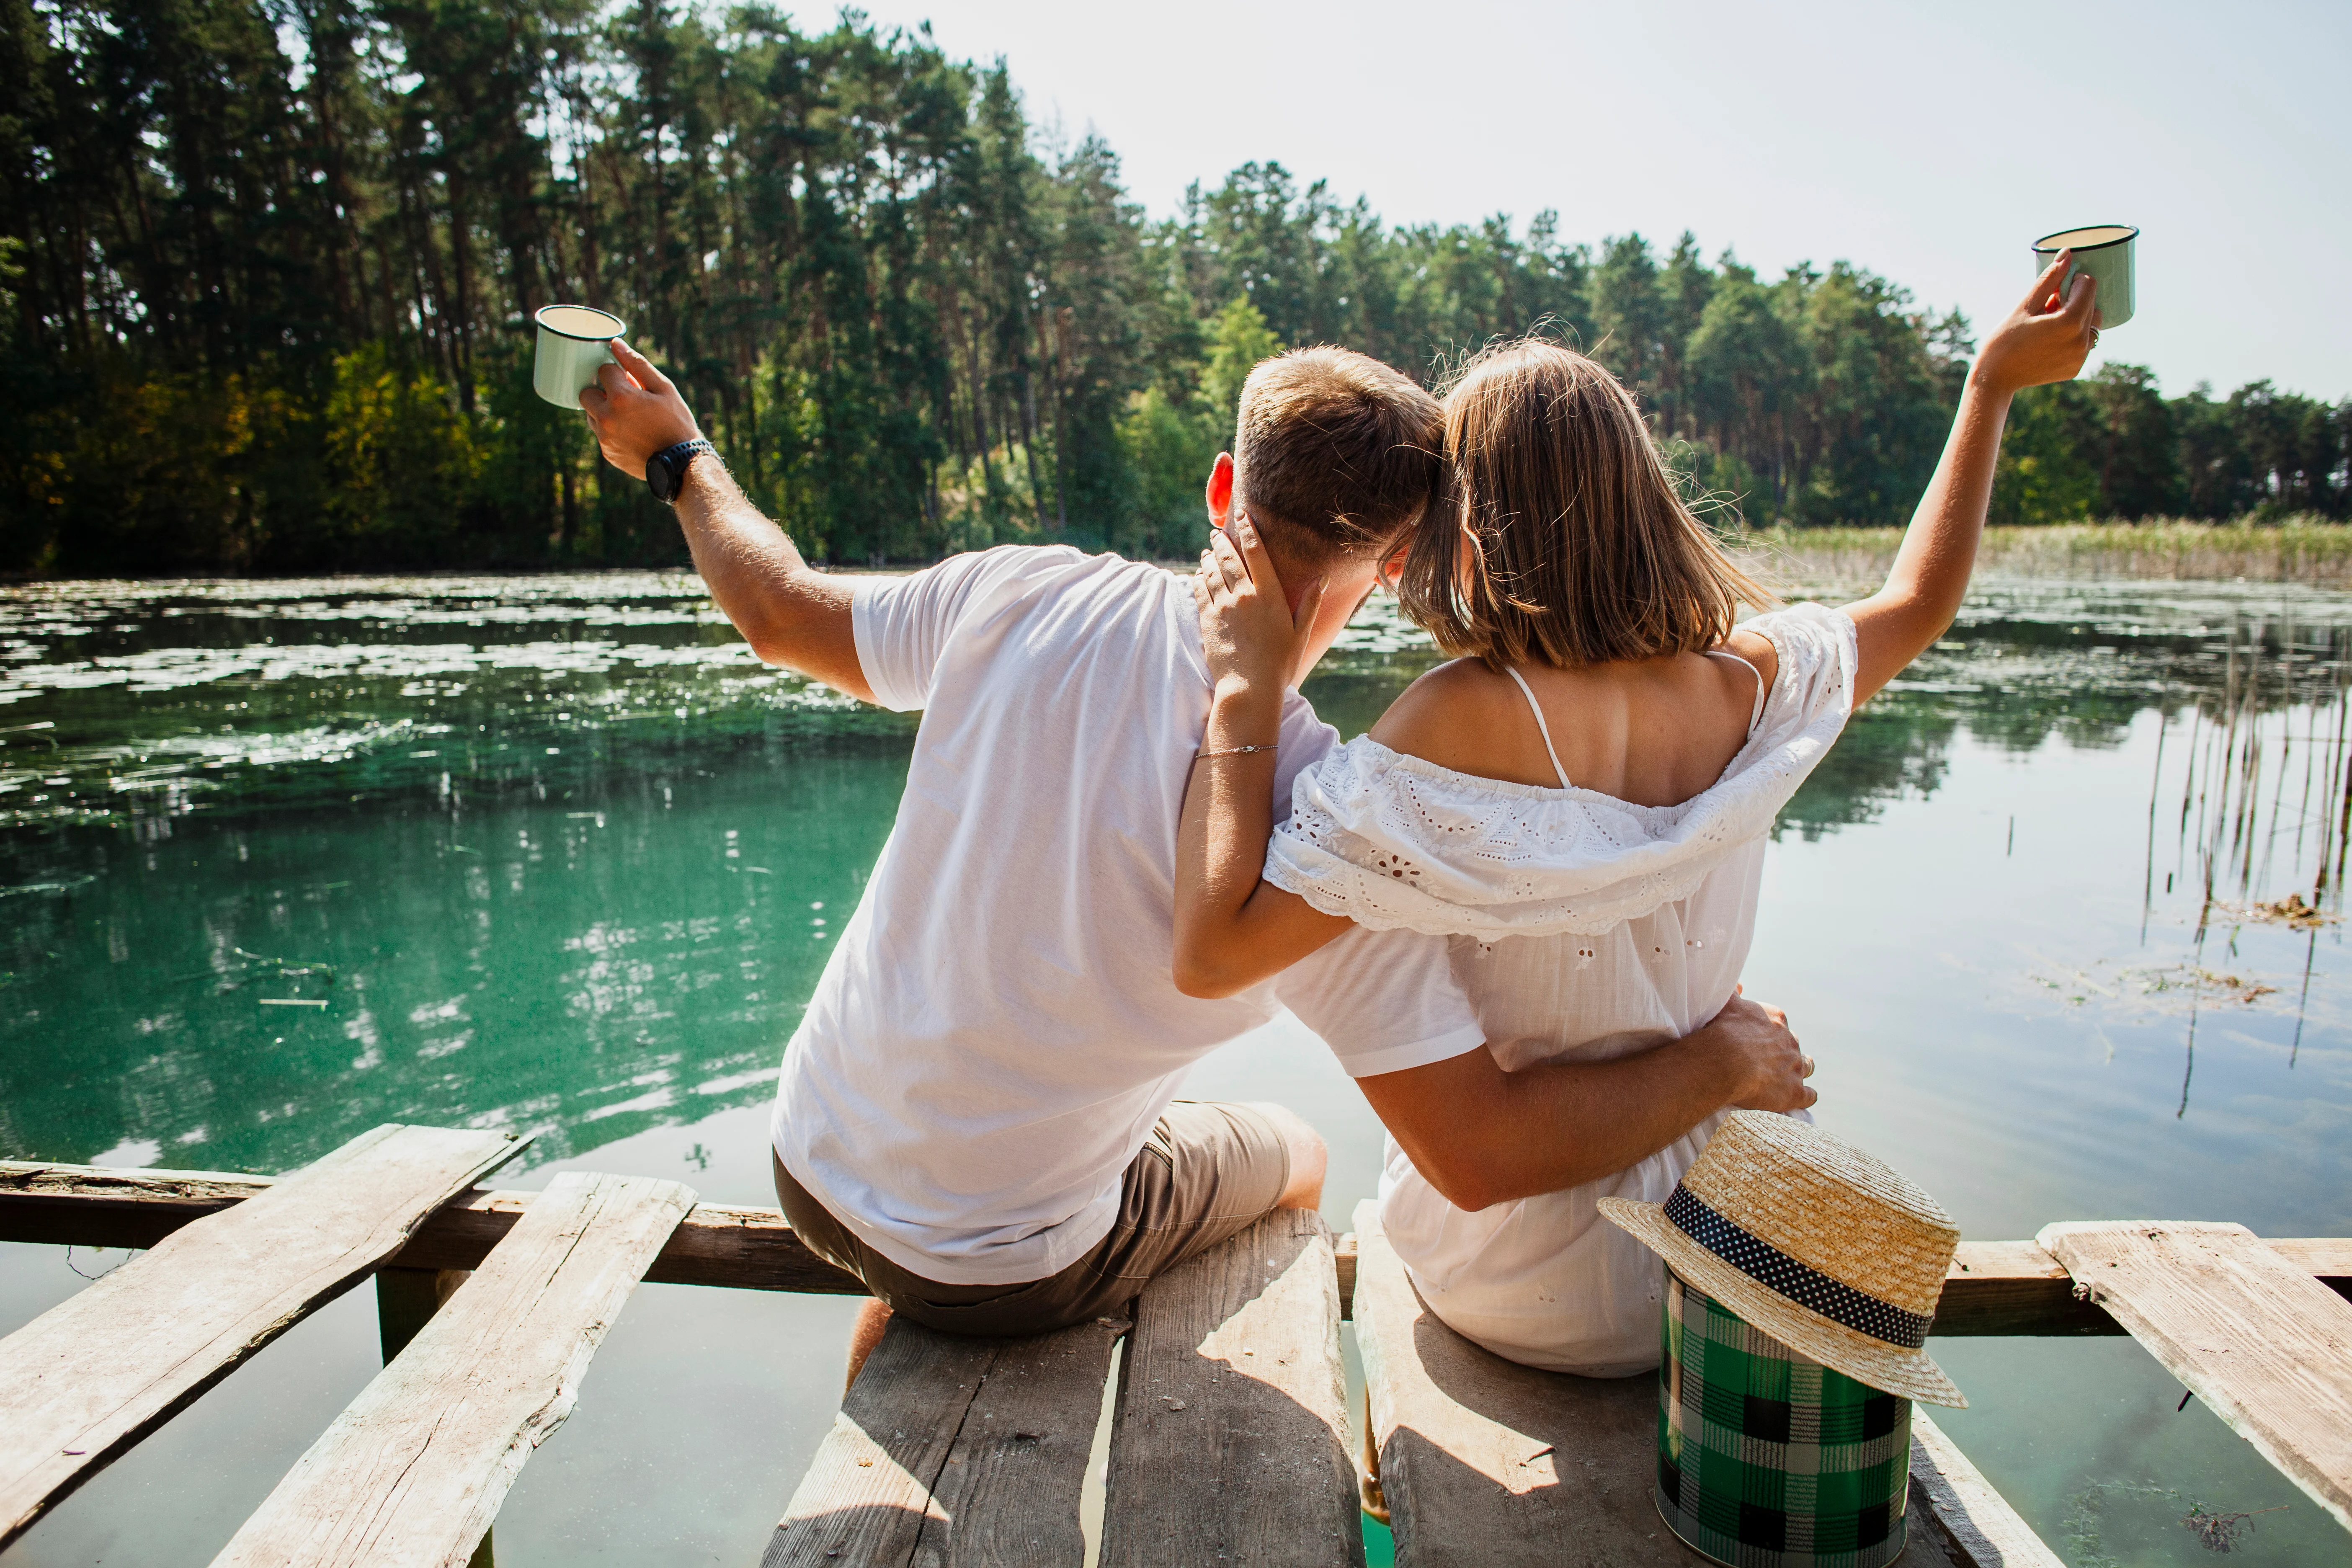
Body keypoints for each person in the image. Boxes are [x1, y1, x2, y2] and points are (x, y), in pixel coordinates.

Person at [576, 335, 1808, 1383]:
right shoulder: (1335, 825)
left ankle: (891, 1367)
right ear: (1389, 573)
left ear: (1226, 487)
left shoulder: (1017, 591)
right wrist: (1716, 1058)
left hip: (808, 1160)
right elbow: (1477, 1156)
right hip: (1002, 1267)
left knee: (1100, 1144)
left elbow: (777, 610)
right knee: (1302, 1155)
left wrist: (683, 456)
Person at [1173, 254, 2101, 1374]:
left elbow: (1217, 951)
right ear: (1645, 497)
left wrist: (1245, 682)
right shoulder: (1758, 687)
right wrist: (1986, 390)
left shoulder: (1454, 723)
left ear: (1466, 527)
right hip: (1733, 1252)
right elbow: (1921, 597)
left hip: (1521, 1284)